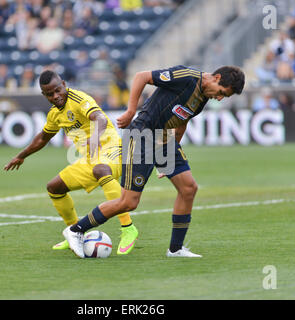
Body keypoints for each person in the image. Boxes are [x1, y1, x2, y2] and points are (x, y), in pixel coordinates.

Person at [63, 65, 245, 258]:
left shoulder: (203, 98)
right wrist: (131, 110)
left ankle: (175, 249)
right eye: (221, 93)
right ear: (216, 78)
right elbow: (142, 77)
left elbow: (182, 121)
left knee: (188, 188)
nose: (218, 98)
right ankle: (76, 230)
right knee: (128, 202)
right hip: (142, 136)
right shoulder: (186, 77)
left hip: (165, 141)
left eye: (223, 97)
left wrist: (168, 161)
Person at [4, 70, 139, 255]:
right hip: (90, 159)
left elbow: (99, 117)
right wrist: (21, 155)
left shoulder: (79, 99)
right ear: (45, 95)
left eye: (58, 90)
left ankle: (128, 228)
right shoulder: (54, 114)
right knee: (54, 187)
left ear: (64, 84)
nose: (56, 96)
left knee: (101, 170)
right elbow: (43, 138)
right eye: (50, 94)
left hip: (113, 150)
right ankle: (74, 233)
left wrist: (95, 137)